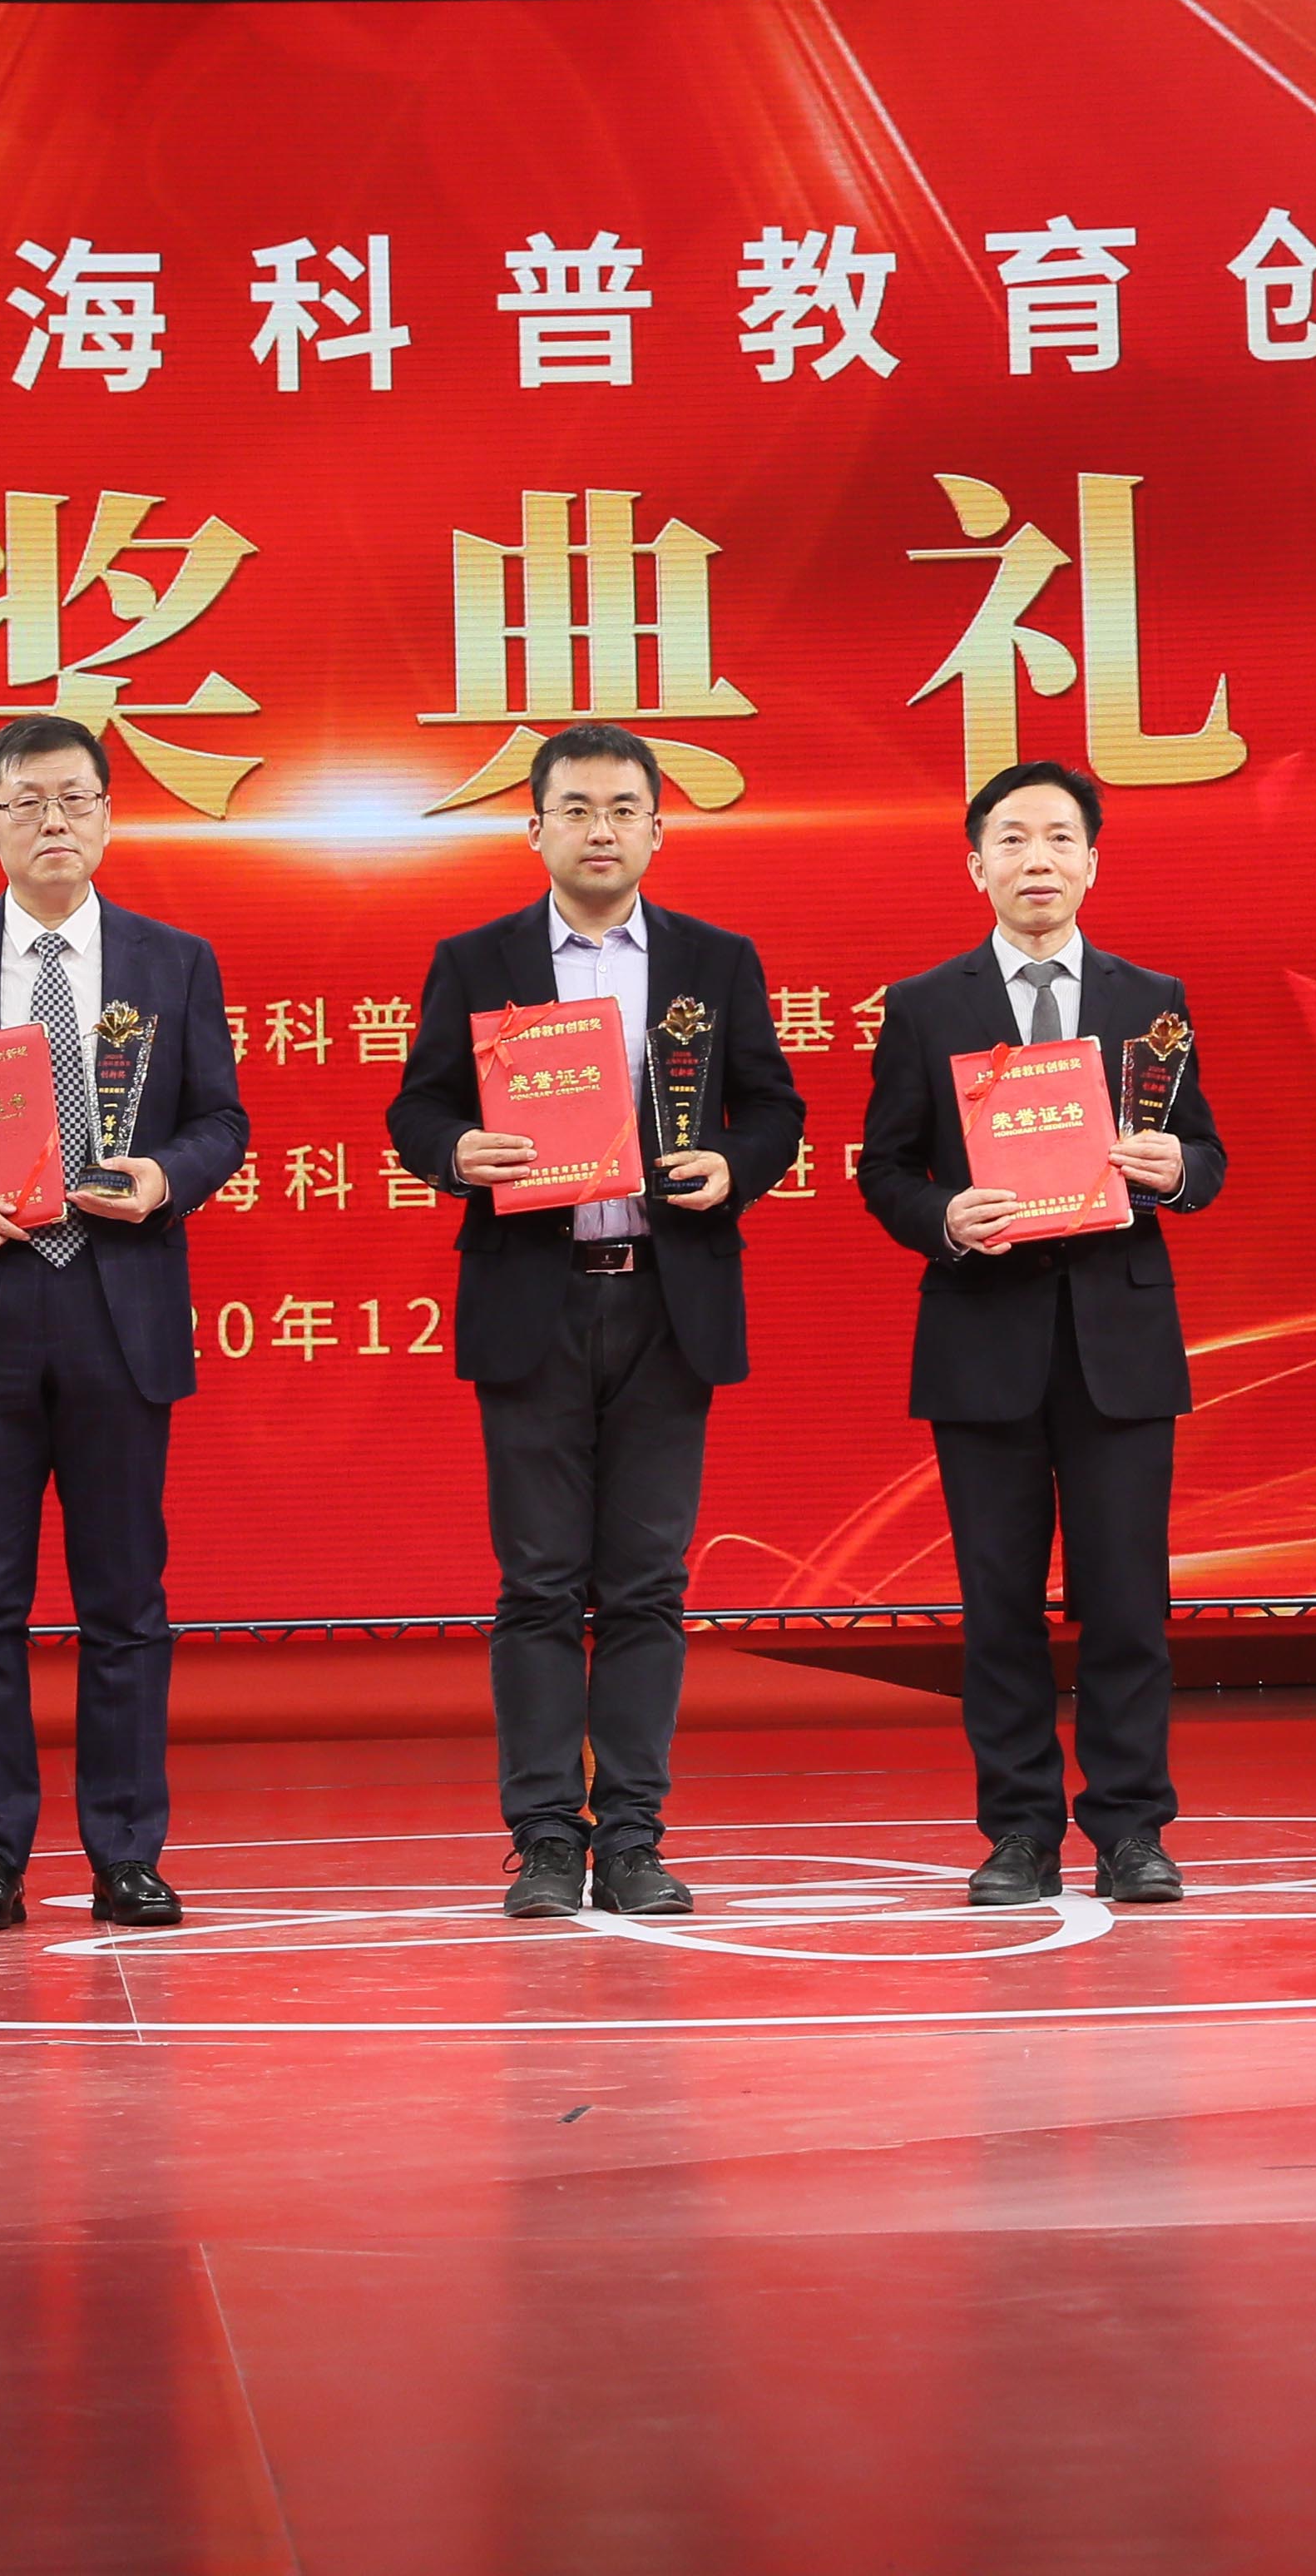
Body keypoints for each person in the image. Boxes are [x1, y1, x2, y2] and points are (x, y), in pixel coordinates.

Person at [382, 722, 805, 1921]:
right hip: (535, 1294)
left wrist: (734, 1166)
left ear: (659, 829)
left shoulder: (715, 961)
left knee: (648, 1585)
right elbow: (416, 1108)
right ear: (535, 830)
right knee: (537, 1583)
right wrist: (457, 1151)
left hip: (669, 1299)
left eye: (623, 809)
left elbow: (774, 1107)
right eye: (575, 809)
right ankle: (542, 1840)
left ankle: (630, 1836)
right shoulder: (479, 960)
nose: (601, 829)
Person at [0, 713, 252, 1938]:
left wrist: (166, 1177)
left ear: (110, 816)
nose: (54, 821)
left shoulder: (174, 961)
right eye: (27, 801)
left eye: (75, 798)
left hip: (118, 1304)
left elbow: (222, 1122)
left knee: (126, 1598)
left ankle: (127, 1853)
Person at [853, 756, 1229, 1909]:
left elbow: (1207, 1154)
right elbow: (883, 1169)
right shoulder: (927, 1004)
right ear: (976, 866)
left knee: (1128, 1603)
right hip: (985, 1338)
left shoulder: (1150, 997)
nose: (1038, 860)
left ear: (1093, 862)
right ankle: (1018, 1830)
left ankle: (1131, 1829)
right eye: (1012, 840)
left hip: (1121, 1338)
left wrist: (1174, 1169)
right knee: (999, 1607)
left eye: (1060, 838)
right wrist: (944, 1220)